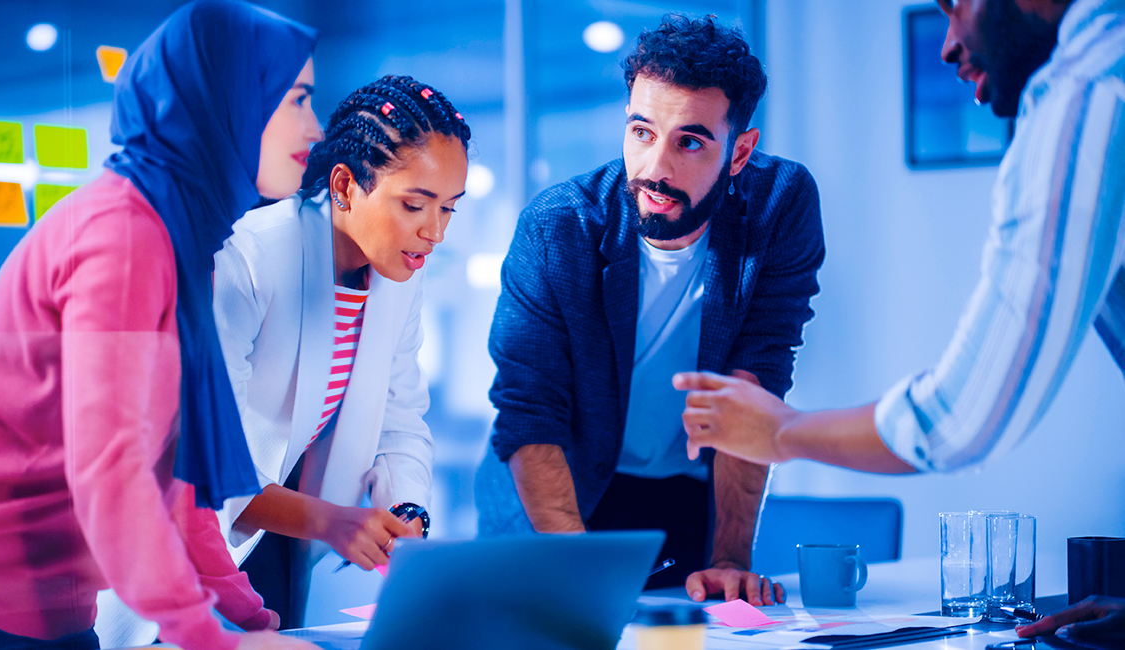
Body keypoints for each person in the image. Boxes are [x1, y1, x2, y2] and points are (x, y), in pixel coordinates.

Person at [675, 0, 1125, 642]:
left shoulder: (1088, 94)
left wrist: (783, 432)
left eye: (956, 4)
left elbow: (958, 421)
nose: (947, 43)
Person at [0, 2, 323, 648]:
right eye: (297, 98)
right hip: (0, 601)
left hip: (50, 598)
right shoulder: (127, 235)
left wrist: (248, 614)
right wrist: (211, 639)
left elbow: (176, 472)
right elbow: (113, 471)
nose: (316, 125)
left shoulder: (180, 237)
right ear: (227, 99)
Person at [474, 14, 824, 605]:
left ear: (739, 152)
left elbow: (755, 383)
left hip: (684, 501)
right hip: (555, 495)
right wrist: (577, 573)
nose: (656, 167)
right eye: (642, 132)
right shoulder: (557, 228)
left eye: (689, 141)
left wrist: (731, 560)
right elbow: (531, 413)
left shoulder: (780, 206)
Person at [211, 75, 470, 628]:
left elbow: (400, 420)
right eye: (414, 205)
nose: (435, 233)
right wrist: (334, 522)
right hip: (194, 552)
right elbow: (212, 466)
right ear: (346, 185)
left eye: (448, 209)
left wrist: (406, 511)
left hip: (282, 545)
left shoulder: (400, 274)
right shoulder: (247, 256)